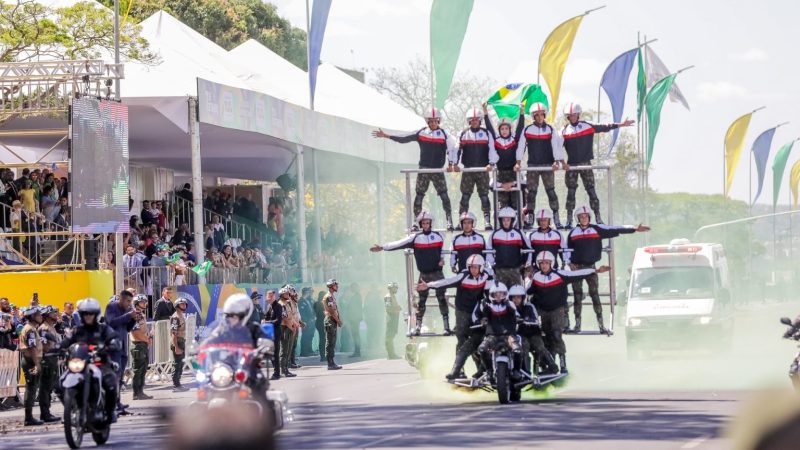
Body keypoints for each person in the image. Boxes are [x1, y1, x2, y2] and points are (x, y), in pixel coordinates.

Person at [565, 206, 650, 334]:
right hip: (576, 268)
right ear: (578, 218)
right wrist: (569, 262)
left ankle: (601, 326)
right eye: (581, 216)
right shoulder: (573, 233)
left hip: (592, 267)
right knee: (577, 296)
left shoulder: (597, 229)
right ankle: (577, 325)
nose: (584, 218)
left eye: (586, 216)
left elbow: (615, 228)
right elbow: (566, 249)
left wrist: (634, 228)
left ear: (589, 217)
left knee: (595, 296)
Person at [372, 108, 458, 231]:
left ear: (439, 121)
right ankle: (415, 223)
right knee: (419, 196)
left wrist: (451, 163)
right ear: (427, 121)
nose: (433, 123)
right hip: (423, 169)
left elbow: (452, 147)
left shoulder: (444, 134)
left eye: (435, 121)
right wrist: (387, 136)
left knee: (444, 195)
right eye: (431, 121)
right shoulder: (421, 132)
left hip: (437, 170)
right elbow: (404, 138)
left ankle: (449, 221)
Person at [371, 211, 451, 336]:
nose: (425, 225)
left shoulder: (439, 236)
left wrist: (442, 259)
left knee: (442, 299)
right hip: (424, 275)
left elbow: (442, 250)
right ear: (420, 224)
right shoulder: (415, 238)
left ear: (431, 223)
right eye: (423, 223)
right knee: (421, 301)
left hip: (437, 274)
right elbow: (399, 244)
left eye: (427, 223)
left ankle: (446, 327)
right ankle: (418, 327)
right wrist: (383, 247)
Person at [527, 251, 609, 373]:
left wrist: (596, 270)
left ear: (551, 263)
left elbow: (579, 274)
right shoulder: (536, 277)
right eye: (541, 263)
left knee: (557, 335)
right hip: (544, 312)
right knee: (547, 336)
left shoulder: (560, 274)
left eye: (546, 263)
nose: (544, 265)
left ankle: (563, 363)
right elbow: (528, 291)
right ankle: (550, 365)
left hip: (557, 310)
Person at [418, 254, 493, 380]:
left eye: (476, 267)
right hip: (462, 311)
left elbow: (490, 293)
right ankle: (459, 371)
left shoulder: (487, 276)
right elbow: (446, 282)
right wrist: (429, 285)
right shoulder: (463, 276)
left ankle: (481, 370)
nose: (473, 270)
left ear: (481, 267)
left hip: (477, 312)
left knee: (478, 339)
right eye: (471, 267)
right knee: (462, 339)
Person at [560, 103, 635, 227]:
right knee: (571, 193)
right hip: (571, 165)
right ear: (567, 117)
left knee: (592, 191)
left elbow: (605, 127)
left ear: (578, 115)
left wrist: (621, 124)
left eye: (574, 115)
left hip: (586, 164)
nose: (572, 117)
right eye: (570, 115)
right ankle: (569, 219)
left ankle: (598, 217)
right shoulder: (563, 131)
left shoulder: (587, 126)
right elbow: (557, 148)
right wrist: (561, 162)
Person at [59, 298, 120, 424]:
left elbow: (114, 339)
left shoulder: (103, 329)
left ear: (96, 314)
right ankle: (71, 410)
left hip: (99, 363)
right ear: (81, 315)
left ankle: (110, 411)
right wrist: (56, 348)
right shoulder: (77, 330)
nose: (88, 316)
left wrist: (112, 344)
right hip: (80, 363)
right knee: (60, 383)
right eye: (85, 313)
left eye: (90, 313)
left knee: (110, 384)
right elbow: (65, 342)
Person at [522, 102, 566, 229]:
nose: (540, 117)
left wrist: (557, 161)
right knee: (531, 193)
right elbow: (521, 148)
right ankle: (530, 219)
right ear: (533, 116)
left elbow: (555, 146)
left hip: (548, 165)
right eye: (537, 115)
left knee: (551, 192)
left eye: (542, 114)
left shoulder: (550, 129)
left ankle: (556, 219)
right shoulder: (528, 129)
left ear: (545, 115)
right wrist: (518, 162)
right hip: (533, 165)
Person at [454, 106, 496, 230]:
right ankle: (461, 220)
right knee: (465, 196)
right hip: (468, 170)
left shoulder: (487, 133)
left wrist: (491, 163)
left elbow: (492, 150)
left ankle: (487, 222)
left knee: (484, 196)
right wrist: (455, 164)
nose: (474, 122)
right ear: (469, 121)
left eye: (476, 119)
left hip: (483, 170)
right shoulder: (464, 133)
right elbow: (457, 150)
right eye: (472, 120)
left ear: (480, 120)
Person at [477, 283, 522, 384]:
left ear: (505, 294)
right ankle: (489, 371)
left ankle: (516, 371)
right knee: (482, 349)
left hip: (509, 336)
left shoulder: (510, 304)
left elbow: (516, 313)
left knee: (517, 350)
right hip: (492, 336)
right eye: (495, 294)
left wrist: (518, 318)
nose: (498, 296)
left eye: (501, 294)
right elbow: (484, 316)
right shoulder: (487, 306)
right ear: (491, 295)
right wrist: (483, 321)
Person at [484, 103, 525, 213]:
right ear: (499, 130)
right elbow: (489, 128)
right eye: (502, 129)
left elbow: (520, 127)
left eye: (506, 128)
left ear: (510, 129)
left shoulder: (514, 139)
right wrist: (485, 112)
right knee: (503, 206)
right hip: (500, 174)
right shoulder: (496, 140)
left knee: (516, 204)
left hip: (514, 172)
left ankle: (520, 220)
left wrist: (521, 112)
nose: (504, 131)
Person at [508, 284, 558, 376]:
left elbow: (536, 320)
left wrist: (524, 320)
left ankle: (553, 367)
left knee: (539, 347)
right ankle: (526, 372)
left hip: (533, 333)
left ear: (523, 298)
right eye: (514, 297)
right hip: (520, 335)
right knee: (524, 347)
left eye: (518, 297)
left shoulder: (530, 306)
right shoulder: (509, 309)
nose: (516, 300)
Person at [104, 290, 137, 411]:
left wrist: (134, 319)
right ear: (121, 299)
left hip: (122, 347)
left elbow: (127, 328)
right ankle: (111, 404)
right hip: (113, 347)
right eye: (128, 301)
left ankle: (117, 402)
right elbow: (111, 322)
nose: (129, 304)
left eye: (130, 301)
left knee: (119, 377)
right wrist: (128, 316)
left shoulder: (125, 310)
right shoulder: (111, 307)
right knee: (114, 376)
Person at [486, 207, 531, 288]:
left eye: (508, 220)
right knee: (500, 292)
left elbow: (528, 249)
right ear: (500, 221)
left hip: (515, 270)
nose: (506, 222)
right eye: (503, 220)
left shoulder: (518, 233)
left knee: (516, 292)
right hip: (500, 270)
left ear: (513, 220)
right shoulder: (495, 234)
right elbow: (488, 249)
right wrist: (492, 264)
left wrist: (525, 264)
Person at [19, 307, 45, 425]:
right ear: (33, 317)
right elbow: (32, 348)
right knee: (31, 388)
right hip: (31, 361)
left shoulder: (32, 328)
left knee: (33, 388)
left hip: (32, 360)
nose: (41, 316)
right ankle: (28, 418)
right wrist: (36, 364)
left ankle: (29, 417)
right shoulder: (30, 329)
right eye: (38, 315)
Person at [37, 306, 62, 423]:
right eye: (53, 312)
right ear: (47, 315)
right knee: (45, 388)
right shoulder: (44, 328)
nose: (56, 314)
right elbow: (44, 346)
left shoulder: (52, 327)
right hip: (47, 360)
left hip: (53, 359)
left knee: (51, 387)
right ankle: (45, 413)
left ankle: (47, 412)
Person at [130, 294, 152, 400]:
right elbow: (136, 333)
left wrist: (149, 337)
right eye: (142, 302)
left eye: (144, 302)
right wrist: (147, 340)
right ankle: (136, 393)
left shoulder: (141, 314)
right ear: (136, 303)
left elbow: (143, 331)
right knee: (138, 371)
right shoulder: (135, 315)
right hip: (138, 345)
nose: (144, 304)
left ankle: (141, 392)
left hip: (143, 344)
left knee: (143, 370)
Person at [263, 289, 284, 380]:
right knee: (270, 353)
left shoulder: (278, 306)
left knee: (275, 353)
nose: (270, 298)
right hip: (269, 333)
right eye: (268, 296)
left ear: (274, 297)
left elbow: (278, 321)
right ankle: (277, 371)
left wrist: (267, 322)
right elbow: (266, 317)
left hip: (276, 333)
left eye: (271, 296)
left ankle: (277, 373)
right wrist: (263, 320)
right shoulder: (269, 306)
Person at [322, 279, 343, 370]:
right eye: (335, 285)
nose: (337, 286)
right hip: (330, 320)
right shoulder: (329, 297)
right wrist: (338, 321)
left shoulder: (331, 296)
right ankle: (330, 363)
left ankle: (332, 362)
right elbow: (331, 311)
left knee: (332, 342)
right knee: (330, 342)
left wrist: (338, 320)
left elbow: (335, 310)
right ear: (331, 286)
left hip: (332, 320)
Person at [278, 287, 298, 378]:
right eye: (286, 294)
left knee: (289, 349)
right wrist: (292, 328)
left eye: (288, 294)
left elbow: (291, 317)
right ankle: (283, 370)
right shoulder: (281, 305)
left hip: (289, 327)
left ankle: (286, 368)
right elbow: (285, 319)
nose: (288, 295)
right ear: (281, 295)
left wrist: (295, 325)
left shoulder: (287, 303)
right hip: (284, 328)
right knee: (284, 350)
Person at [170, 298, 189, 391]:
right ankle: (176, 385)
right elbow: (174, 334)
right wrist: (176, 347)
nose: (184, 306)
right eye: (182, 304)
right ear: (177, 306)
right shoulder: (175, 317)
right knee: (177, 364)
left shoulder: (181, 315)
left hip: (181, 341)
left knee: (181, 363)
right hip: (177, 341)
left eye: (185, 304)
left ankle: (178, 384)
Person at [384, 283, 402, 360]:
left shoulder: (392, 296)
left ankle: (391, 354)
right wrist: (397, 308)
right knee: (389, 337)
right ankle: (391, 354)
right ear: (391, 288)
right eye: (395, 288)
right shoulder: (388, 297)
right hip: (391, 318)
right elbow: (388, 308)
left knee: (392, 335)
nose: (396, 289)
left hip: (394, 317)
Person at [345, 283, 363, 358]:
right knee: (355, 335)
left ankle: (357, 351)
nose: (351, 289)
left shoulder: (356, 296)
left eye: (352, 288)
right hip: (354, 318)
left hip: (355, 319)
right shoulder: (356, 296)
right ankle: (357, 351)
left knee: (356, 335)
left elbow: (356, 308)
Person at [297, 287, 315, 356]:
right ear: (306, 292)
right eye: (309, 292)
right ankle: (304, 352)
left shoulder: (309, 300)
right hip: (305, 322)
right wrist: (305, 321)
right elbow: (302, 313)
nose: (310, 293)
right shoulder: (301, 301)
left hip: (312, 321)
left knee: (310, 336)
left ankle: (309, 350)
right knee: (305, 336)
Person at [313, 290, 326, 362]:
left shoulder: (316, 303)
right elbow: (322, 313)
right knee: (323, 339)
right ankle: (323, 356)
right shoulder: (321, 304)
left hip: (319, 322)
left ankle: (323, 355)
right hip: (321, 322)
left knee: (323, 339)